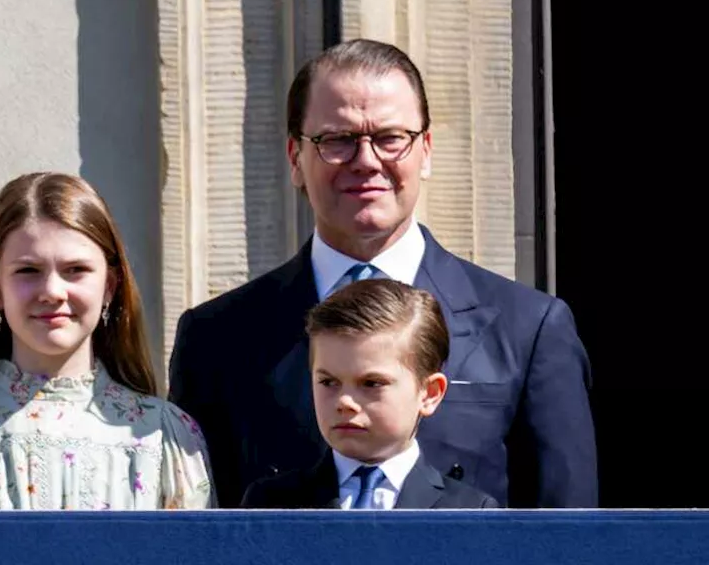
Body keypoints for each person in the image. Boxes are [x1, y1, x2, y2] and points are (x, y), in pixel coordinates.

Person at [169, 38, 596, 508]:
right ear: (295, 158)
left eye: (391, 138)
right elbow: (197, 530)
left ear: (426, 151)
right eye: (338, 140)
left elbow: (567, 532)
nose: (367, 160)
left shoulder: (529, 328)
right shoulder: (216, 337)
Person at [0, 172, 213, 510]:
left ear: (110, 286)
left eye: (75, 269)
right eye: (28, 271)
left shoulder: (167, 438)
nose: (52, 291)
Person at [242, 278, 498, 509]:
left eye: (372, 383)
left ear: (429, 393)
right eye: (329, 382)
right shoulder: (270, 504)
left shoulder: (470, 512)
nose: (344, 402)